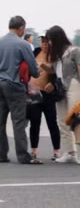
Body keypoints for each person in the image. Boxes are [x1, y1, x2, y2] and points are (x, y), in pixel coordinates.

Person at [0, 15, 40, 164]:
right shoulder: (23, 44)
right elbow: (34, 69)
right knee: (18, 120)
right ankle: (23, 155)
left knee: (0, 120)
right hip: (14, 84)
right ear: (21, 28)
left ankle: (1, 154)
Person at [43, 25, 80, 164]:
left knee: (76, 119)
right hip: (61, 88)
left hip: (74, 84)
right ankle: (70, 152)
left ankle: (79, 152)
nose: (50, 43)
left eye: (51, 40)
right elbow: (52, 70)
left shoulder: (74, 51)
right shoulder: (56, 55)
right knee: (63, 120)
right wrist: (41, 65)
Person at [27, 34, 62, 162]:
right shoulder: (34, 52)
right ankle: (34, 151)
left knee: (52, 122)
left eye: (47, 42)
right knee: (34, 122)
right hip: (34, 93)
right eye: (42, 42)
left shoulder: (55, 57)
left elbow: (59, 74)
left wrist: (53, 84)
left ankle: (57, 151)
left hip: (48, 94)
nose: (44, 45)